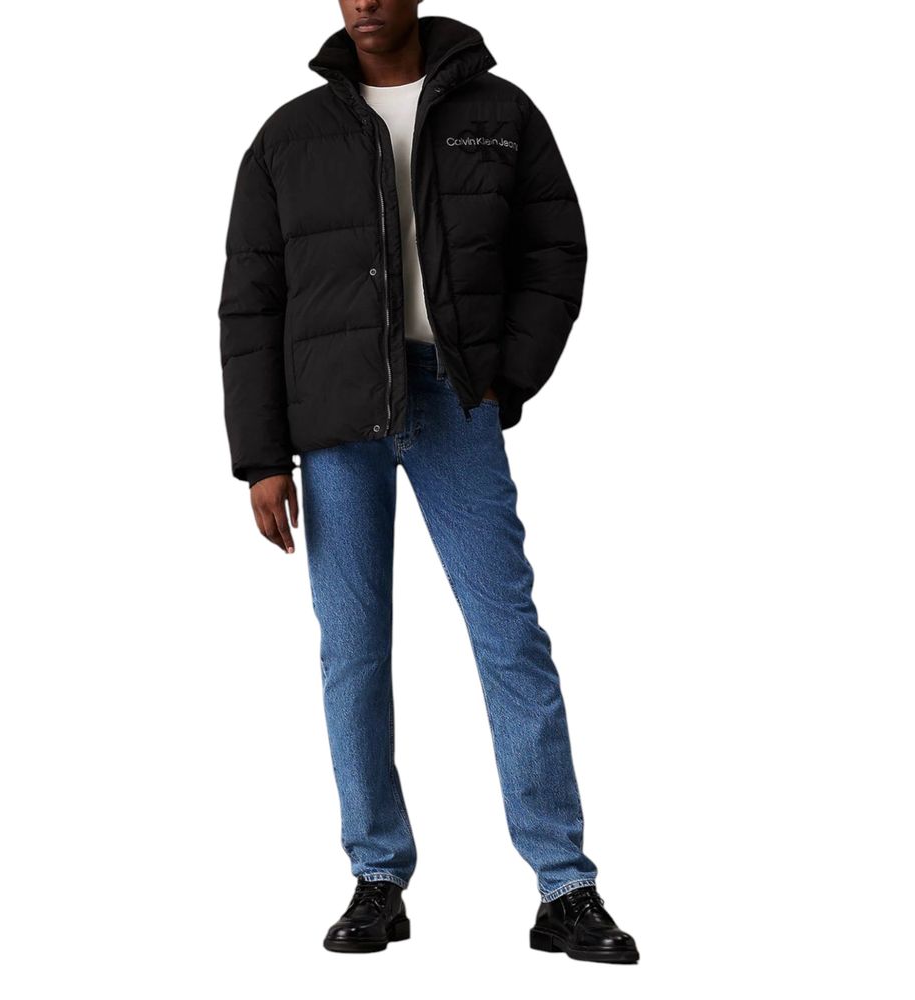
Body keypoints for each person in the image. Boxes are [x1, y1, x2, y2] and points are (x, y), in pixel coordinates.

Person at [218, 1, 639, 964]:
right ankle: (378, 877)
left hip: (455, 398)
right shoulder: (289, 135)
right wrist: (261, 458)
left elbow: (556, 249)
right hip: (334, 417)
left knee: (508, 638)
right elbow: (251, 300)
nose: (364, 1)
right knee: (353, 651)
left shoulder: (502, 111)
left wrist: (505, 374)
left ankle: (565, 885)